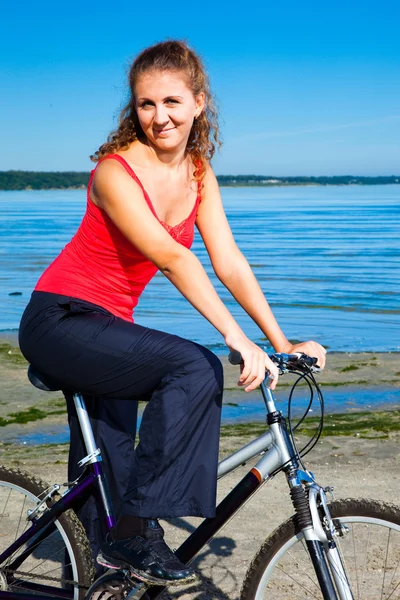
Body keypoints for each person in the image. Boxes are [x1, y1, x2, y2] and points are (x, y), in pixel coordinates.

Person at [19, 40, 326, 585]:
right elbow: (172, 256)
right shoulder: (114, 173)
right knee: (194, 367)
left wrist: (281, 339)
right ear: (132, 109)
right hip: (59, 321)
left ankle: (112, 548)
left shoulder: (199, 174)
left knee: (116, 455)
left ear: (199, 103)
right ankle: (137, 532)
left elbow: (228, 261)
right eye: (145, 104)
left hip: (107, 329)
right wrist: (236, 339)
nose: (159, 117)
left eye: (171, 102)